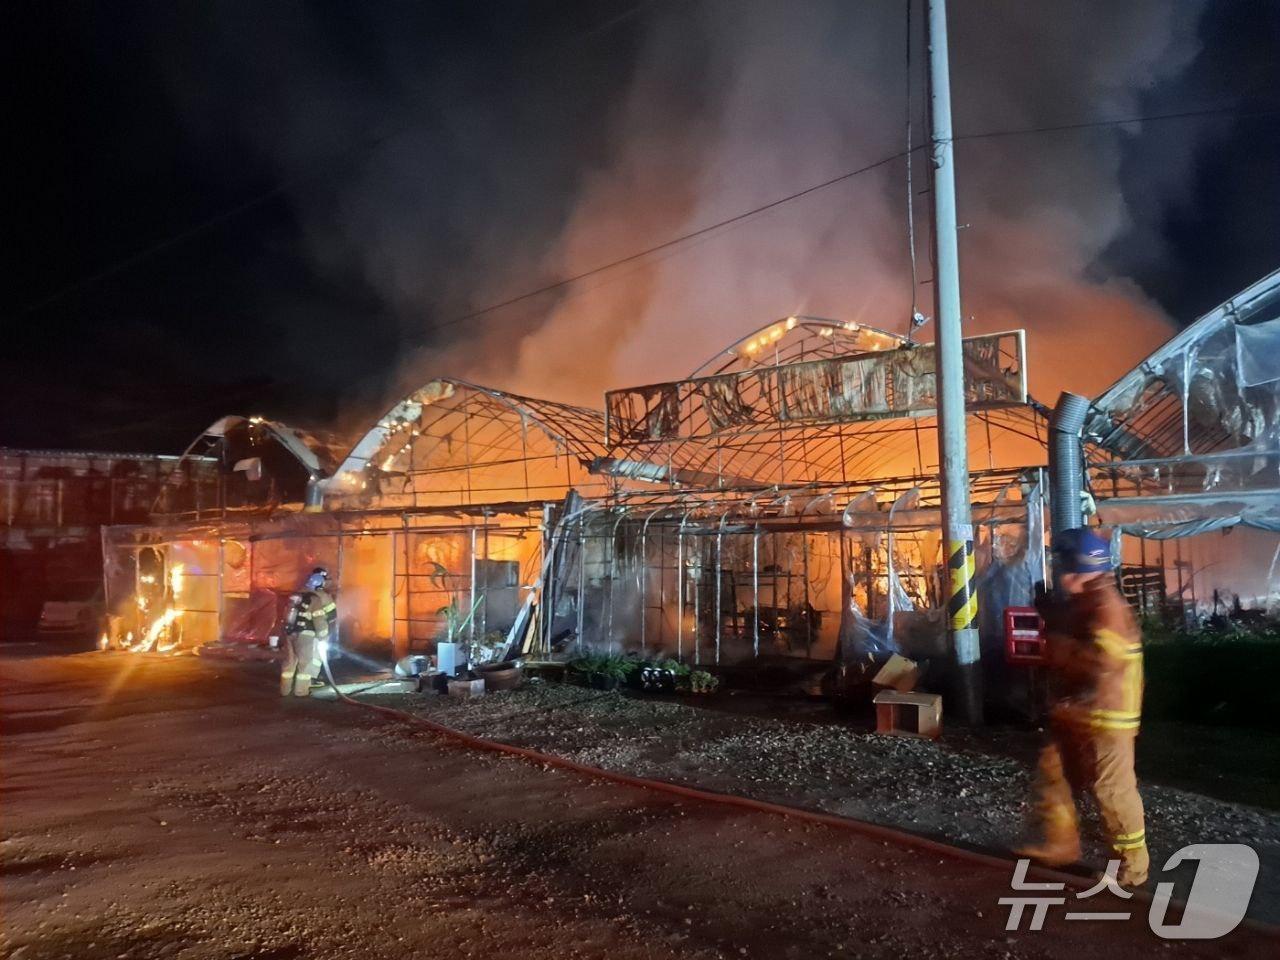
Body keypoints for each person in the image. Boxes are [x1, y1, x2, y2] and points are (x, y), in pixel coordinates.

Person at [1020, 527, 1148, 887]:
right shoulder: (1086, 602)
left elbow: (1101, 661)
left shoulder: (1107, 608)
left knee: (1112, 791)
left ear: (1075, 567)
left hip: (1108, 716)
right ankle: (1057, 846)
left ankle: (1131, 870)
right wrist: (1050, 613)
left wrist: (1057, 647)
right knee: (1055, 772)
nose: (1058, 576)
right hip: (1080, 712)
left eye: (1061, 566)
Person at [278, 568, 335, 697]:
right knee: (305, 664)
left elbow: (285, 615)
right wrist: (323, 636)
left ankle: (284, 690)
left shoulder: (295, 596)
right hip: (306, 635)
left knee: (289, 663)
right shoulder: (316, 599)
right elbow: (320, 620)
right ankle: (301, 691)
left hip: (289, 634)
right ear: (320, 583)